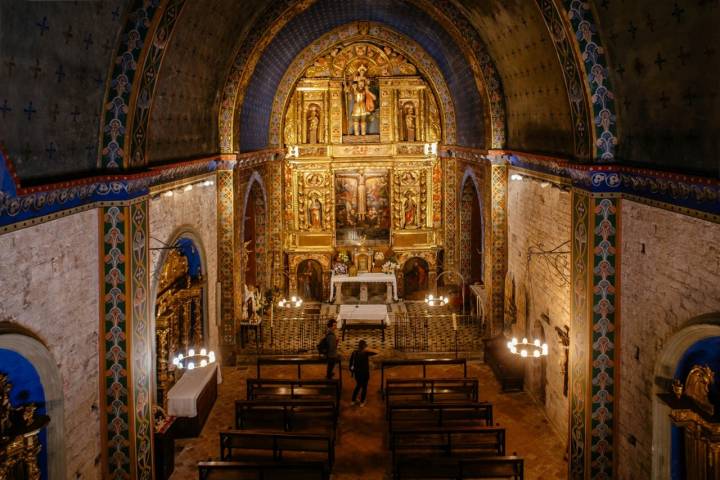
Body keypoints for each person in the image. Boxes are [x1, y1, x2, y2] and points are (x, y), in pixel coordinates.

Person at [350, 339, 379, 407]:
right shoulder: (366, 353)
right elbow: (377, 352)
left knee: (358, 386)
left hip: (357, 373)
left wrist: (352, 371)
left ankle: (353, 400)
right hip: (364, 373)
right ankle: (362, 402)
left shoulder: (354, 352)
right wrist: (368, 349)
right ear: (364, 346)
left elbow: (351, 363)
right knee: (364, 387)